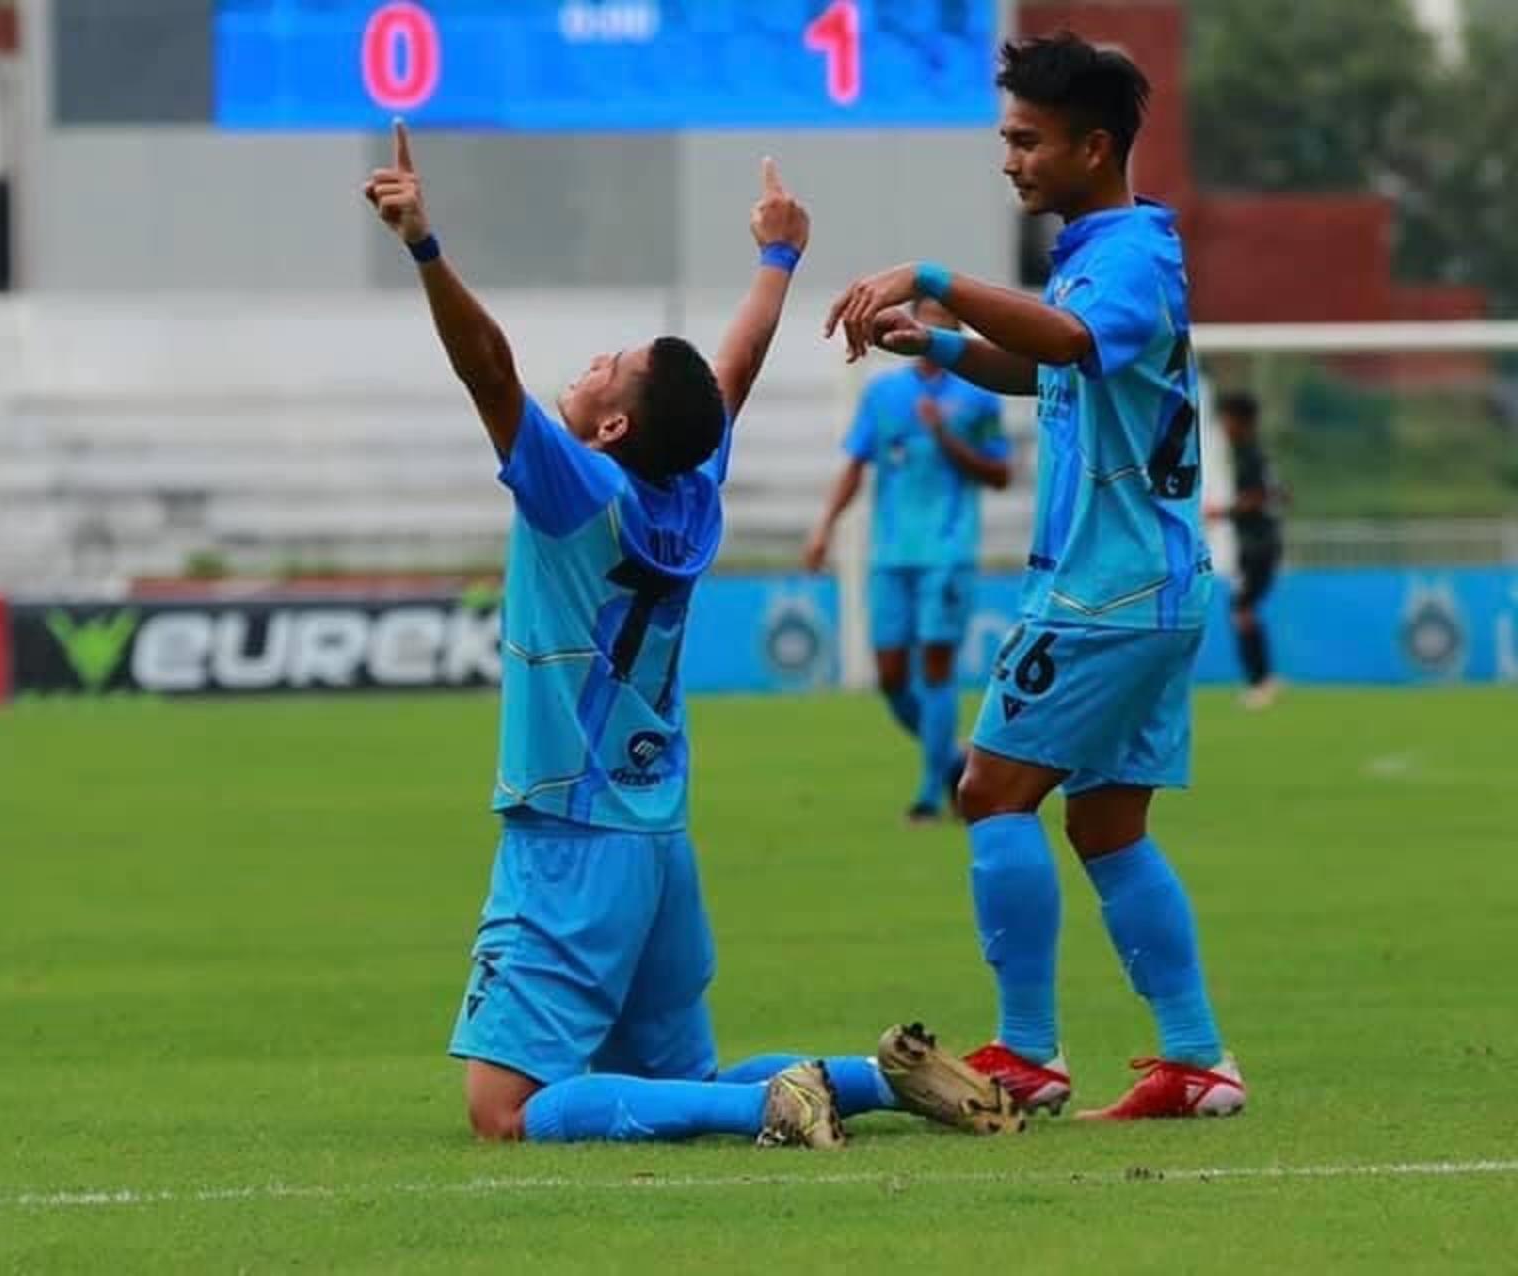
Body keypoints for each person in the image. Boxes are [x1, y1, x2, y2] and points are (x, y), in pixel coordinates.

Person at [363, 122, 1020, 1146]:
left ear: (615, 428)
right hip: (658, 836)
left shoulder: (578, 489)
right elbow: (734, 374)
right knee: (674, 1076)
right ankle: (879, 1076)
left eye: (604, 370)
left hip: (573, 836)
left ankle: (772, 1104)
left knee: (506, 1110)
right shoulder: (690, 490)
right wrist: (777, 259)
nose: (584, 369)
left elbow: (489, 372)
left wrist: (424, 247)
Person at [821, 32, 1247, 1121]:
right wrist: (944, 342)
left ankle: (1027, 1051)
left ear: (1093, 147)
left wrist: (930, 276)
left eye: (1026, 141)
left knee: (989, 791)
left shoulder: (1131, 258)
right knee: (1106, 826)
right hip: (1146, 584)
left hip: (1101, 590)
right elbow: (1054, 362)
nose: (1009, 160)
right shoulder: (1108, 249)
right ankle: (1196, 1060)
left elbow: (1065, 339)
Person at [803, 297, 1009, 822]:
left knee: (937, 666)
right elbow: (856, 464)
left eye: (943, 321)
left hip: (949, 550)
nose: (932, 328)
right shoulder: (883, 394)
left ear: (955, 329)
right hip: (891, 553)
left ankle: (927, 793)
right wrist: (825, 527)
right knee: (891, 676)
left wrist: (944, 434)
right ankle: (955, 763)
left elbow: (1000, 474)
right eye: (925, 319)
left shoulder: (979, 397)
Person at [1212, 391, 1284, 709]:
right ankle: (1262, 679)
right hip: (1255, 543)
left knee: (1242, 610)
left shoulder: (1249, 455)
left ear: (1242, 422)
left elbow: (1258, 496)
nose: (1224, 425)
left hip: (1258, 545)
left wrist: (1222, 513)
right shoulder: (1250, 453)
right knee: (1243, 610)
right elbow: (1278, 493)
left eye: (1227, 419)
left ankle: (1261, 681)